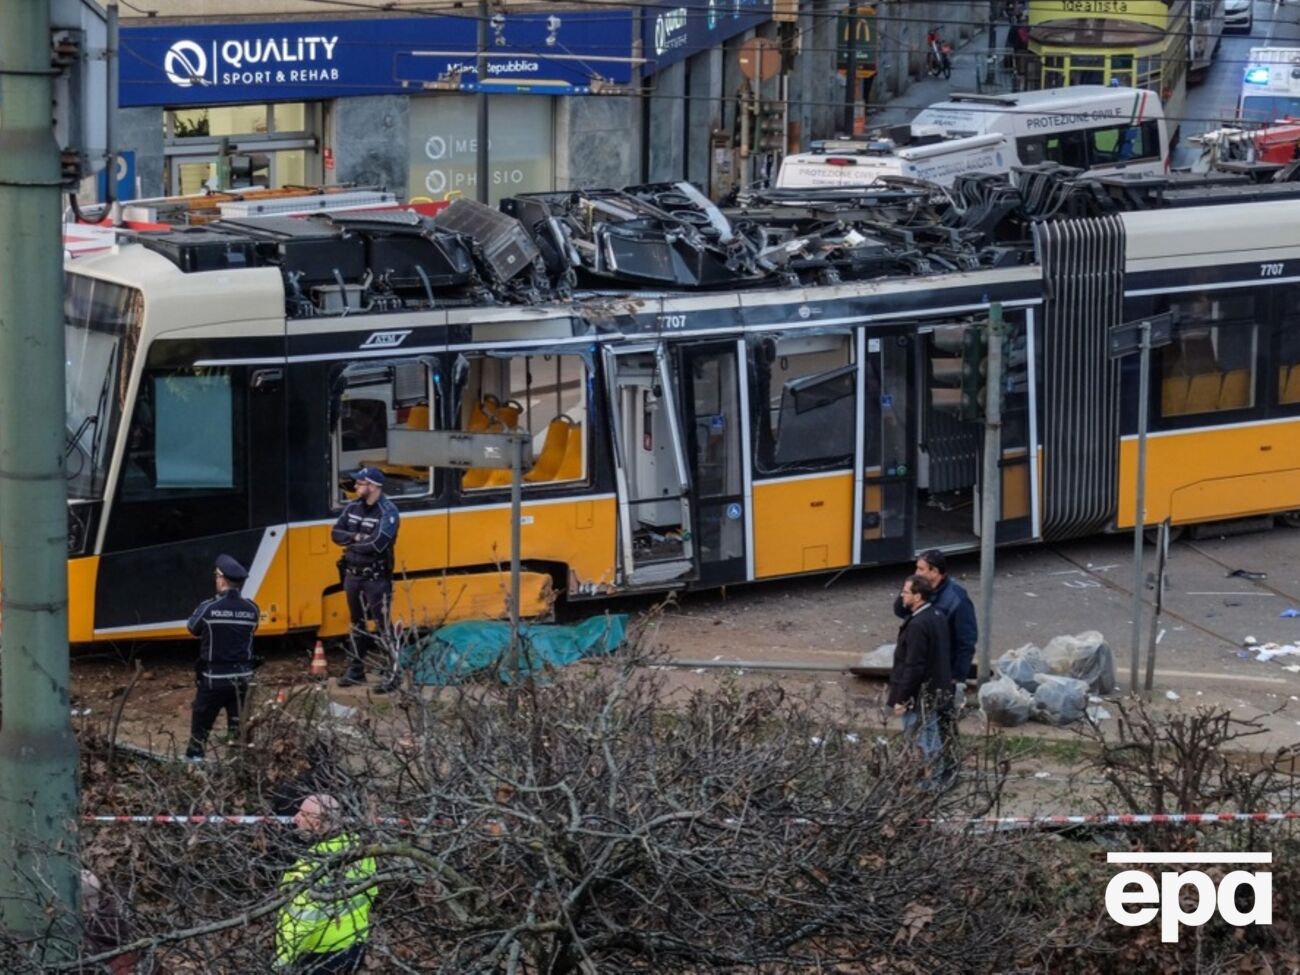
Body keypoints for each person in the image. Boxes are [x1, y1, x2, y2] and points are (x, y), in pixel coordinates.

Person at [275, 794, 378, 973]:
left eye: (302, 814)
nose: (296, 818)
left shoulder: (312, 864)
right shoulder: (359, 847)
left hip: (319, 953)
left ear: (317, 822)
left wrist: (283, 960)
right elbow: (371, 893)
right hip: (355, 944)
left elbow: (302, 919)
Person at [330, 467, 401, 690]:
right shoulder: (352, 507)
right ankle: (356, 670)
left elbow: (378, 544)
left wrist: (351, 542)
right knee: (357, 624)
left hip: (376, 578)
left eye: (360, 483)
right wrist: (356, 536)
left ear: (372, 486)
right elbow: (335, 533)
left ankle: (392, 674)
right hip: (352, 575)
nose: (355, 487)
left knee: (382, 625)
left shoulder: (388, 512)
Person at [185, 554, 259, 761]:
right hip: (242, 680)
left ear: (222, 579)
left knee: (200, 731)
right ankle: (237, 766)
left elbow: (192, 628)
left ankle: (194, 762)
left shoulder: (209, 607)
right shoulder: (252, 609)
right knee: (238, 732)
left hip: (213, 680)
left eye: (217, 576)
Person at [887, 575, 953, 773]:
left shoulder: (917, 624)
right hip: (934, 691)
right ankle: (936, 778)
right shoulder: (937, 615)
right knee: (931, 736)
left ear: (917, 597)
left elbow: (913, 665)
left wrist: (902, 698)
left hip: (917, 695)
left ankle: (927, 782)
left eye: (906, 592)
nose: (902, 595)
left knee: (919, 741)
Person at [893, 549, 978, 684]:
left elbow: (966, 642)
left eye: (921, 569)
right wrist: (906, 592)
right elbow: (900, 611)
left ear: (934, 572)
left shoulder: (957, 599)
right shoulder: (918, 587)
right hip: (915, 662)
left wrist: (957, 678)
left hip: (940, 668)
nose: (916, 573)